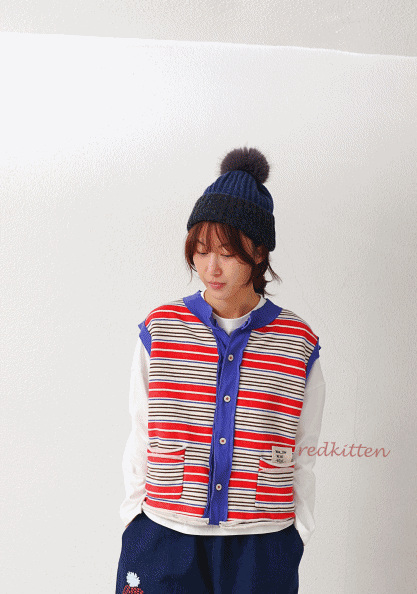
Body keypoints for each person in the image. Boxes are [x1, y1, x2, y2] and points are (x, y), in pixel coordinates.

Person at [115, 147, 326, 594]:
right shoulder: (161, 329)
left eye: (227, 253)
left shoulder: (297, 342)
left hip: (262, 544)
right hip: (163, 533)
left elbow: (304, 450)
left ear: (259, 252)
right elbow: (141, 430)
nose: (210, 268)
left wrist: (298, 532)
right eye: (201, 250)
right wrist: (134, 516)